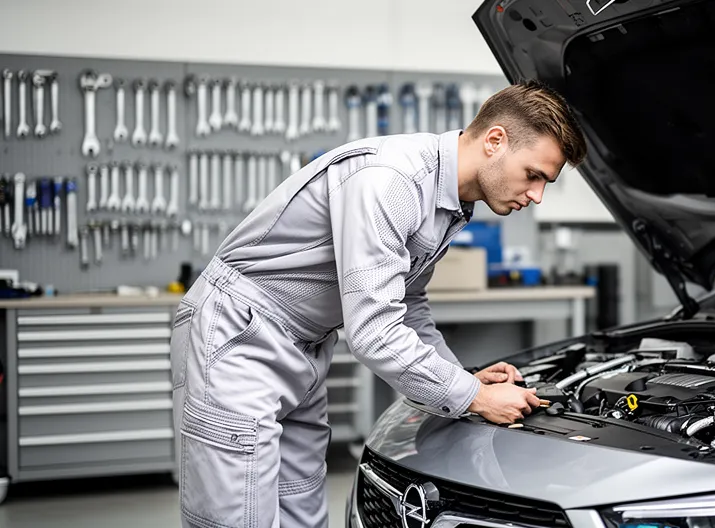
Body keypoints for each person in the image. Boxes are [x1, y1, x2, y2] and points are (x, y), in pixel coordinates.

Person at [170, 79, 588, 527]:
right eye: (534, 175)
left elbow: (407, 304)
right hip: (240, 333)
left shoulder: (446, 203)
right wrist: (475, 398)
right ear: (495, 141)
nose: (537, 195)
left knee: (300, 507)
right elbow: (374, 332)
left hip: (305, 344)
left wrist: (462, 379)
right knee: (239, 515)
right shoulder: (392, 181)